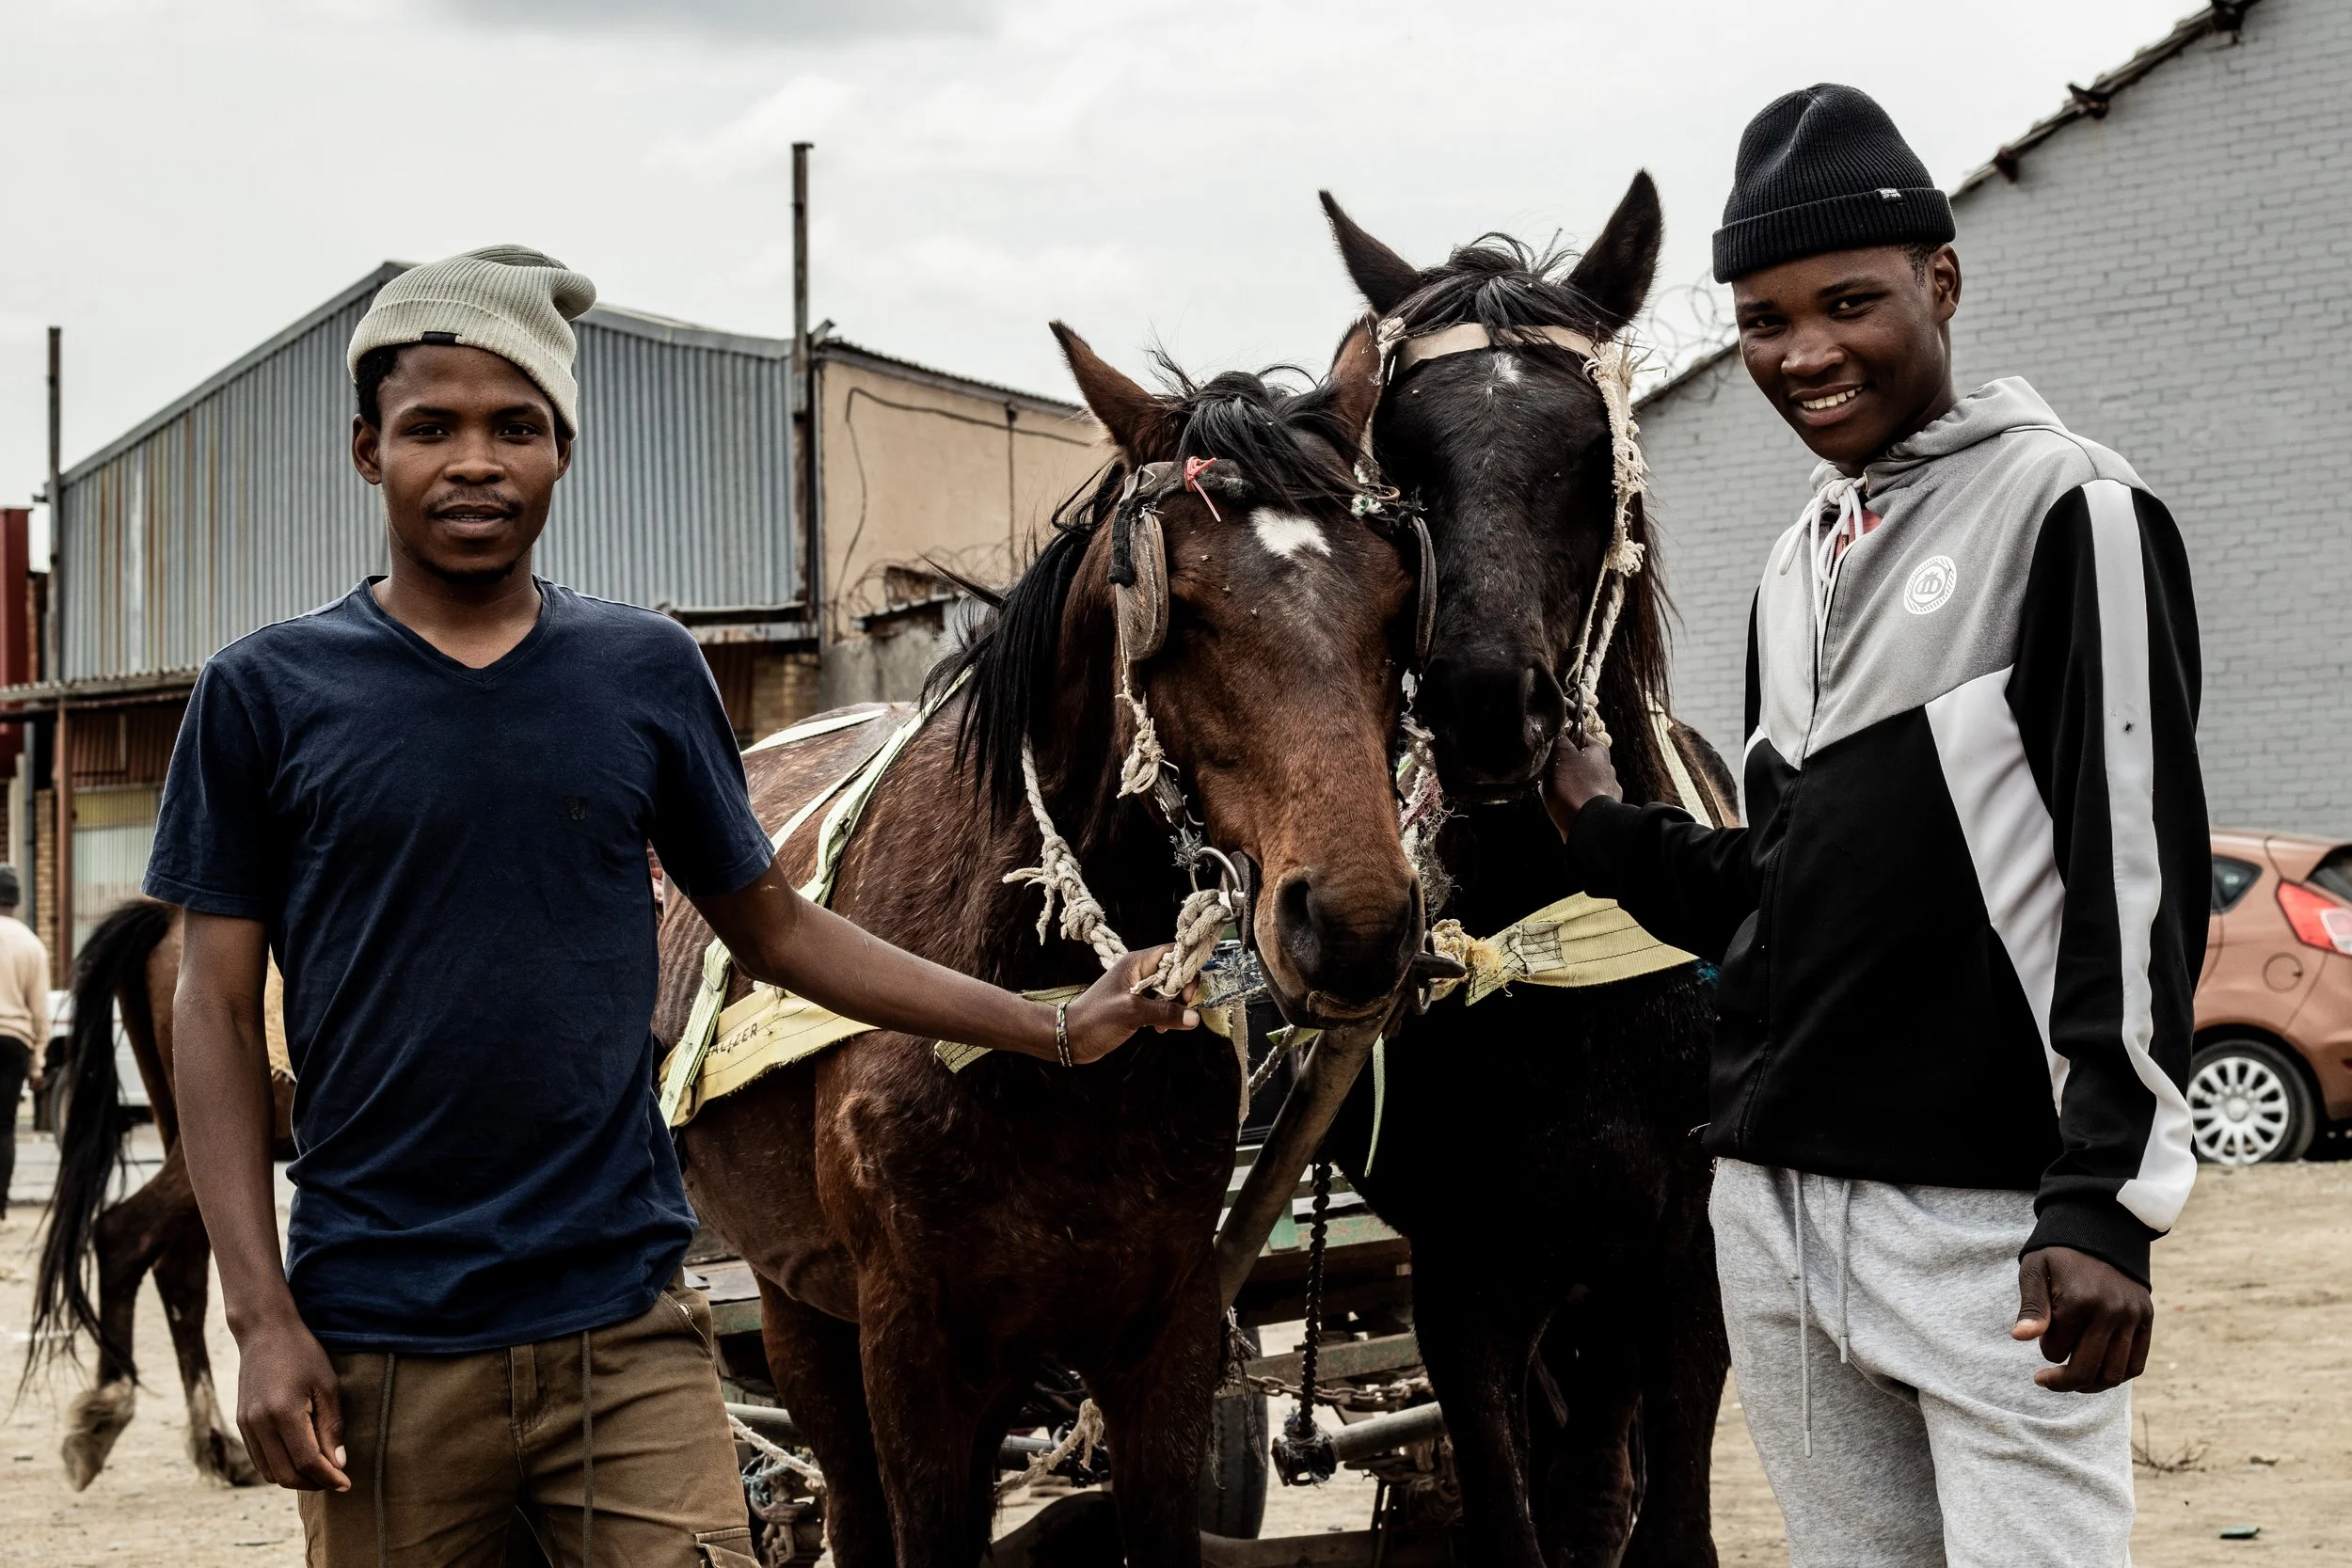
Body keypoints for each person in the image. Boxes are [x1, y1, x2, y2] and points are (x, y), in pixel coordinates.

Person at [151, 245, 1195, 1567]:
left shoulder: (640, 669)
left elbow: (778, 924)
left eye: (514, 425)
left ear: (562, 451)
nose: (475, 459)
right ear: (368, 452)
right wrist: (261, 1316)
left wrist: (1050, 1025)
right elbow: (217, 1005)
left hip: (626, 1338)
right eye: (431, 427)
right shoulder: (265, 694)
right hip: (384, 1341)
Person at [1545, 87, 2205, 1566]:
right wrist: (1602, 825)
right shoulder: (1798, 563)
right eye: (1765, 319)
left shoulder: (2071, 508)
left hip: (1982, 1224)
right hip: (1775, 1212)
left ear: (1942, 282)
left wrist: (2106, 1201)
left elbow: (2136, 874)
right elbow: (1776, 890)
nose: (1805, 352)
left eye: (1849, 301)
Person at [0, 865, 50, 1224]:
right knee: (4, 1128)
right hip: (14, 1044)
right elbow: (40, 1013)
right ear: (16, 900)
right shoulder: (32, 944)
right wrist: (38, 1063)